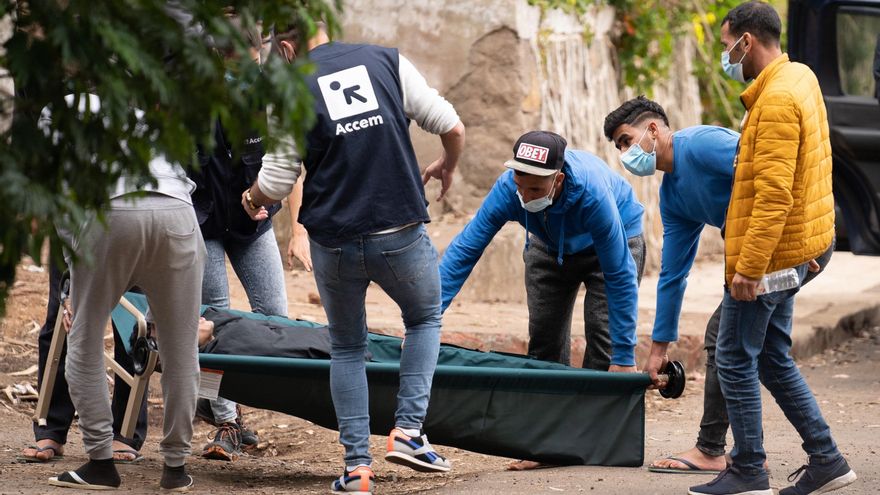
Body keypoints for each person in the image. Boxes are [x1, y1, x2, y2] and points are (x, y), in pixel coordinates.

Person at [242, 22, 465, 495]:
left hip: (334, 241)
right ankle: (408, 431)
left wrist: (250, 197)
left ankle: (357, 468)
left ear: (286, 47)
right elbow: (451, 123)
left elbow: (278, 181)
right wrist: (447, 163)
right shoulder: (388, 60)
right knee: (423, 319)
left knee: (346, 346)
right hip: (399, 231)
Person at [603, 96, 832, 475]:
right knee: (770, 354)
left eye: (627, 140)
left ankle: (718, 451)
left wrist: (800, 238)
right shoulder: (673, 196)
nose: (625, 153)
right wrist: (659, 347)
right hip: (767, 260)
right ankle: (825, 458)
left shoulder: (704, 145)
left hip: (796, 247)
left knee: (726, 339)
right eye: (619, 147)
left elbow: (775, 176)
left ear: (654, 130)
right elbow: (673, 276)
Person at [690, 3, 856, 495]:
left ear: (747, 41)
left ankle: (748, 469)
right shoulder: (798, 76)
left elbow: (775, 194)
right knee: (770, 357)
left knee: (735, 357)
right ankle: (827, 459)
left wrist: (749, 268)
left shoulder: (778, 100)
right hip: (804, 247)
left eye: (727, 47)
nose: (726, 56)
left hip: (776, 255)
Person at [44, 93, 204, 491]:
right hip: (178, 214)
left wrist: (70, 277)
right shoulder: (148, 107)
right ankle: (175, 469)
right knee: (181, 347)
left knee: (82, 340)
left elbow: (61, 197)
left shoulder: (59, 109)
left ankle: (100, 463)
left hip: (113, 210)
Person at [440, 130, 645, 373]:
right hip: (548, 243)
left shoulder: (593, 195)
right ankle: (552, 408)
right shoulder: (508, 190)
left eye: (535, 190)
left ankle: (597, 408)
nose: (525, 198)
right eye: (520, 186)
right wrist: (426, 321)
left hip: (613, 241)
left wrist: (623, 357)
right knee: (544, 344)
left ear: (557, 180)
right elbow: (466, 249)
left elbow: (619, 274)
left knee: (605, 341)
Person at [188, 17, 283, 461]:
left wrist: (282, 216)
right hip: (202, 226)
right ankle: (226, 420)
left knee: (276, 319)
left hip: (253, 225)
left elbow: (287, 161)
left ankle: (247, 401)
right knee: (213, 325)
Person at [18, 263, 151, 465]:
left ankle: (126, 432)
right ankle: (51, 427)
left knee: (132, 325)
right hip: (75, 238)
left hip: (134, 235)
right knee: (60, 319)